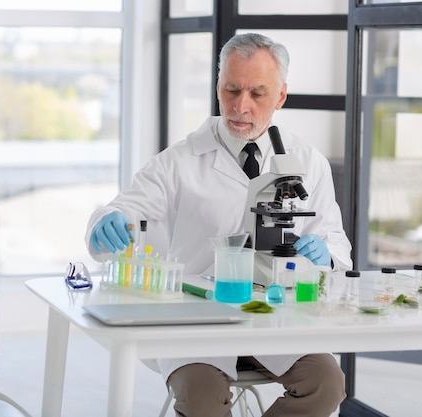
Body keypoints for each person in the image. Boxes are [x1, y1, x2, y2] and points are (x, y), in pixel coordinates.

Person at [84, 33, 352, 417]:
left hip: (275, 316)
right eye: (231, 89)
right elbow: (125, 209)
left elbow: (334, 241)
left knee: (326, 384)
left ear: (280, 97)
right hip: (194, 320)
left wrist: (325, 252)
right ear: (218, 86)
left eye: (257, 93)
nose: (240, 106)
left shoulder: (307, 161)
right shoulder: (179, 160)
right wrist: (106, 221)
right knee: (203, 399)